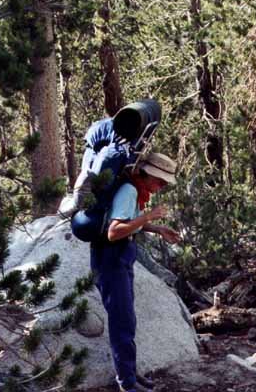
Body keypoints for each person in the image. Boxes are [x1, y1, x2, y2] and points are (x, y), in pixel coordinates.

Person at [90, 153, 180, 392]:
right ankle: (127, 383)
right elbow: (114, 231)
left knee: (126, 320)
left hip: (120, 256)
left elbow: (128, 220)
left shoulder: (134, 189)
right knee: (122, 321)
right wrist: (149, 215)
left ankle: (128, 372)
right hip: (112, 258)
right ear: (147, 173)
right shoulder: (129, 190)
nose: (161, 186)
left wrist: (156, 228)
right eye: (160, 181)